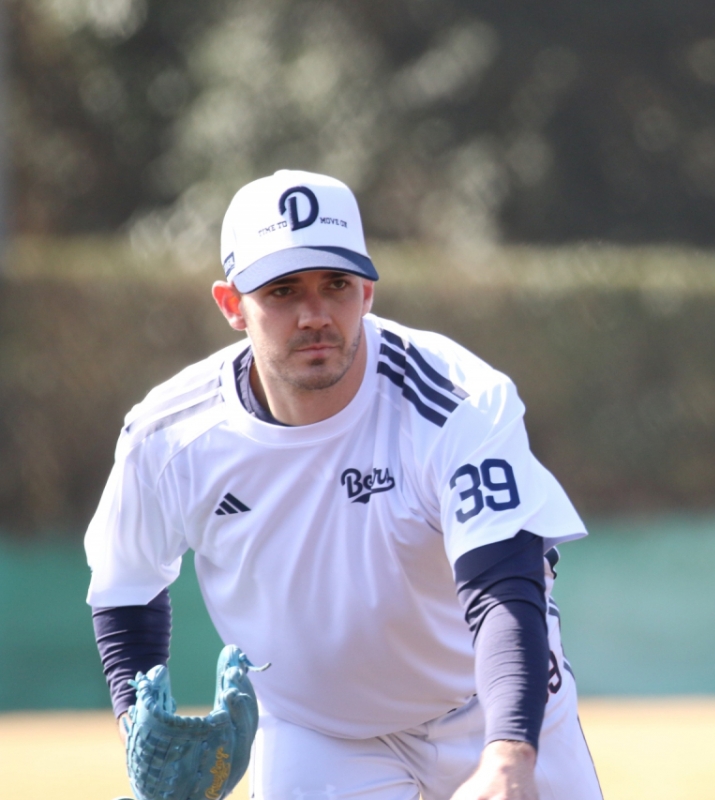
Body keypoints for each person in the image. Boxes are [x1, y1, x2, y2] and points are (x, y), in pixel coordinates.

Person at [85, 170, 603, 800]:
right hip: (317, 732)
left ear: (368, 292)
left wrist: (509, 754)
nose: (314, 314)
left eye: (336, 284)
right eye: (281, 290)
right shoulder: (168, 437)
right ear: (230, 305)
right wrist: (140, 731)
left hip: (489, 710)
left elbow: (504, 588)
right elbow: (127, 587)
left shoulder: (457, 402)